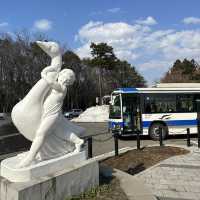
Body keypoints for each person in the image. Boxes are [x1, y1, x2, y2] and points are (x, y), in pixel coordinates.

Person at [18, 66, 84, 167]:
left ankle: (30, 158)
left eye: (64, 77)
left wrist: (43, 73)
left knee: (40, 133)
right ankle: (78, 141)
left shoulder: (62, 88)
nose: (61, 78)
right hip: (51, 115)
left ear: (67, 80)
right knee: (61, 132)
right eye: (62, 76)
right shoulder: (60, 87)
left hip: (52, 115)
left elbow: (50, 83)